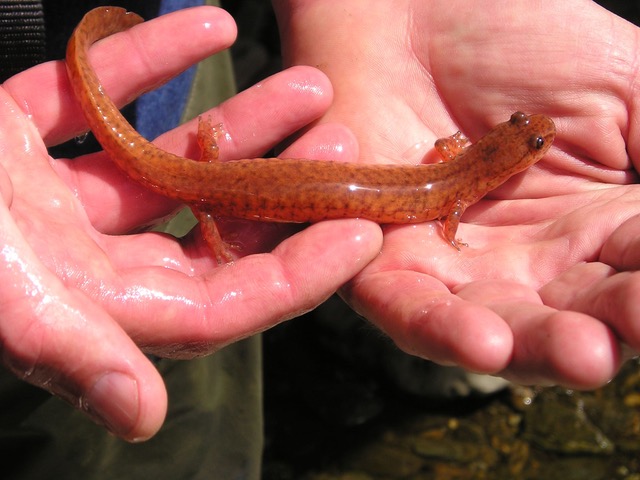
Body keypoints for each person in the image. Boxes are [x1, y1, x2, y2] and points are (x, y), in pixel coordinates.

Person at [0, 0, 638, 477]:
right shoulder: (454, 194)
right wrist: (453, 238)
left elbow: (446, 152)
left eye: (529, 137)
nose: (537, 135)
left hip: (181, 126)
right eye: (530, 136)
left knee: (207, 185)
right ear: (504, 166)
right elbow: (446, 198)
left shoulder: (452, 174)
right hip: (146, 175)